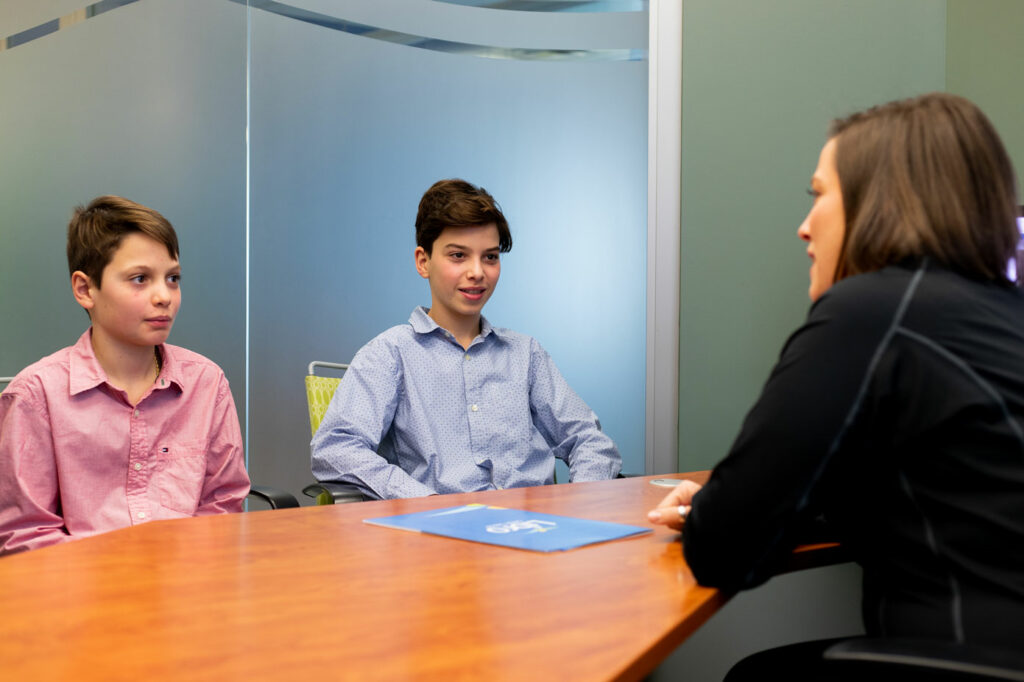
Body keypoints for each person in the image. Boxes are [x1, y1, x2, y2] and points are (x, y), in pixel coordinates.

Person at [648, 93, 1024, 674]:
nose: (804, 228)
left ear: (881, 204)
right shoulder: (1000, 314)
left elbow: (723, 550)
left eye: (818, 195)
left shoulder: (871, 310)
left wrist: (720, 508)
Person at [311, 178, 621, 499]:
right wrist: (425, 504)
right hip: (439, 525)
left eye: (490, 257)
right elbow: (335, 448)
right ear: (423, 262)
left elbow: (589, 441)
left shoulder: (525, 354)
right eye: (458, 255)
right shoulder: (390, 354)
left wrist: (579, 503)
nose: (477, 272)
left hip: (535, 522)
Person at [0, 196, 250, 556]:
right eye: (140, 279)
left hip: (189, 579)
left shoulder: (206, 383)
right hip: (79, 584)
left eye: (173, 278)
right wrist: (123, 575)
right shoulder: (36, 395)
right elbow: (26, 536)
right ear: (85, 289)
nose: (164, 296)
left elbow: (223, 507)